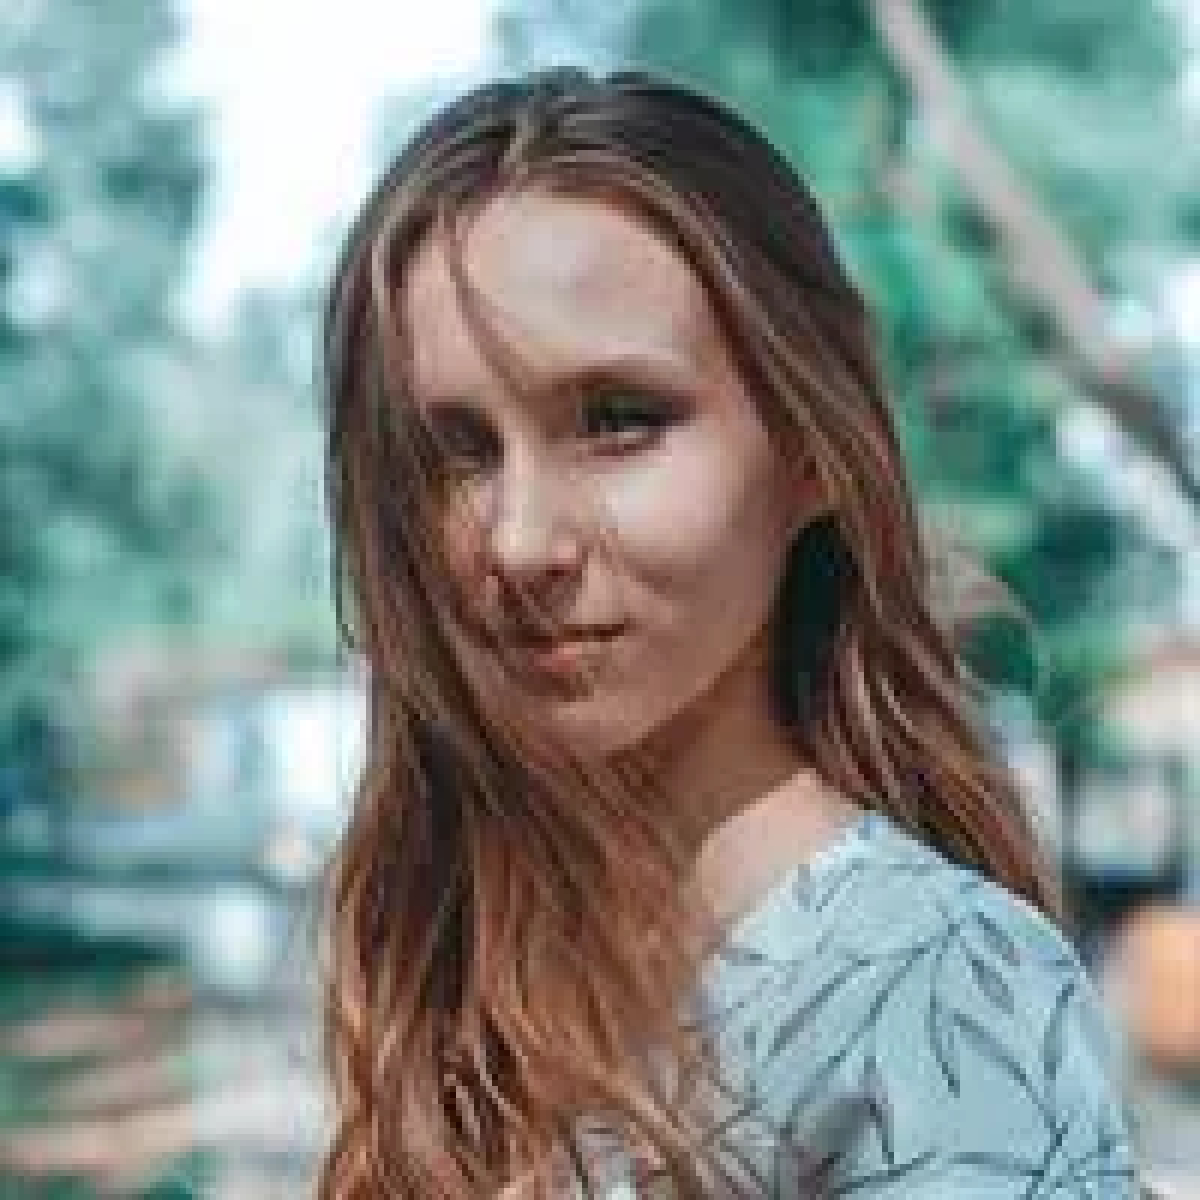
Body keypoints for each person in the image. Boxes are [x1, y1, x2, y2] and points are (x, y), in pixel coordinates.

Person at [317, 67, 1145, 1198]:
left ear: (810, 449)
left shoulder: (939, 993)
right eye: (453, 450)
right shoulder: (471, 973)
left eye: (618, 421)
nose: (518, 540)